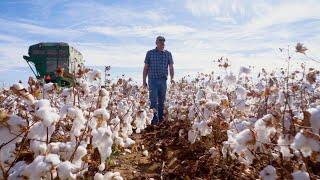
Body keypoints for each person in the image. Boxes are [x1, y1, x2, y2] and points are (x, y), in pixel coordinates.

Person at [143, 36, 174, 125]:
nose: (162, 45)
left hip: (163, 81)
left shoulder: (168, 54)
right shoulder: (150, 53)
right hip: (152, 80)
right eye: (160, 43)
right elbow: (146, 68)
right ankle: (153, 121)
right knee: (153, 100)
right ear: (156, 43)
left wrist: (172, 78)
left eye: (163, 43)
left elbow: (171, 67)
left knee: (162, 100)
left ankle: (160, 119)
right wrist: (144, 81)